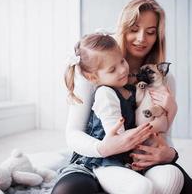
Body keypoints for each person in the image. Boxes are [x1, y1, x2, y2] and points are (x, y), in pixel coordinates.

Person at [52, 0, 192, 194]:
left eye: (150, 32)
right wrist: (104, 148)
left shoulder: (161, 77)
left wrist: (169, 153)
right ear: (122, 28)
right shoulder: (94, 68)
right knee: (69, 191)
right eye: (134, 29)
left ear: (158, 36)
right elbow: (73, 133)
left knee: (183, 186)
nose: (141, 38)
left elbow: (162, 136)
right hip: (97, 159)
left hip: (141, 161)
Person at [62, 33, 184, 194]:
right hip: (107, 161)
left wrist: (170, 111)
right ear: (93, 77)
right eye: (112, 69)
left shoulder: (130, 89)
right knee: (143, 188)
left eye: (121, 61)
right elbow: (120, 139)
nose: (122, 70)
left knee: (173, 176)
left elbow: (159, 126)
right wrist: (151, 127)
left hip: (130, 158)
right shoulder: (105, 94)